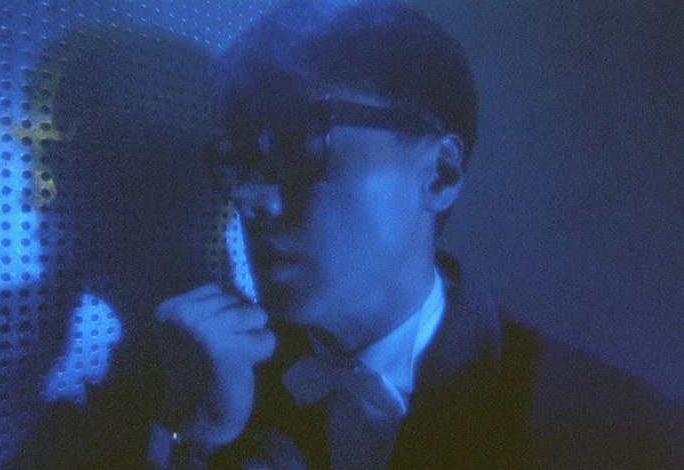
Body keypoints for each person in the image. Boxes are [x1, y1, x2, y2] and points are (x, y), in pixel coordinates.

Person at [146, 1, 682, 468]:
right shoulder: (208, 378)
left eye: (300, 142)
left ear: (439, 173)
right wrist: (196, 431)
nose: (247, 198)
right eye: (238, 162)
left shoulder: (616, 435)